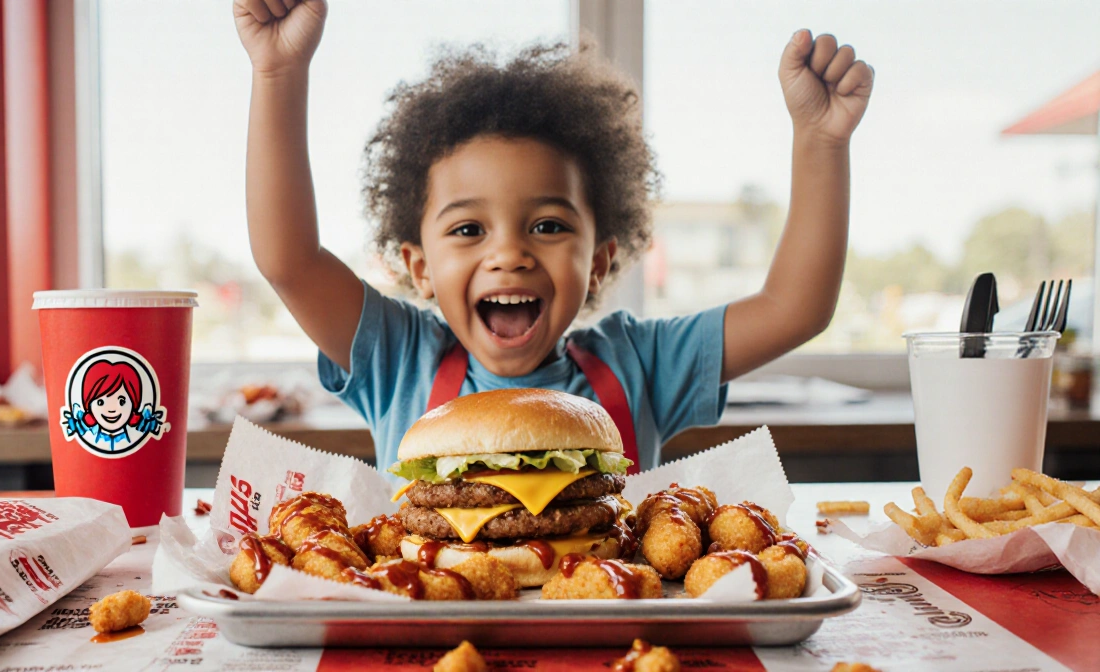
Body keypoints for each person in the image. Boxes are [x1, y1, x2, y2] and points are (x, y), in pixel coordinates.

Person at [233, 0, 874, 474]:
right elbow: (289, 260)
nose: (509, 254)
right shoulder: (400, 361)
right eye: (468, 229)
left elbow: (795, 308)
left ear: (598, 262)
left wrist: (821, 142)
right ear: (419, 267)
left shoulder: (640, 365)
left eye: (547, 225)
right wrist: (278, 72)